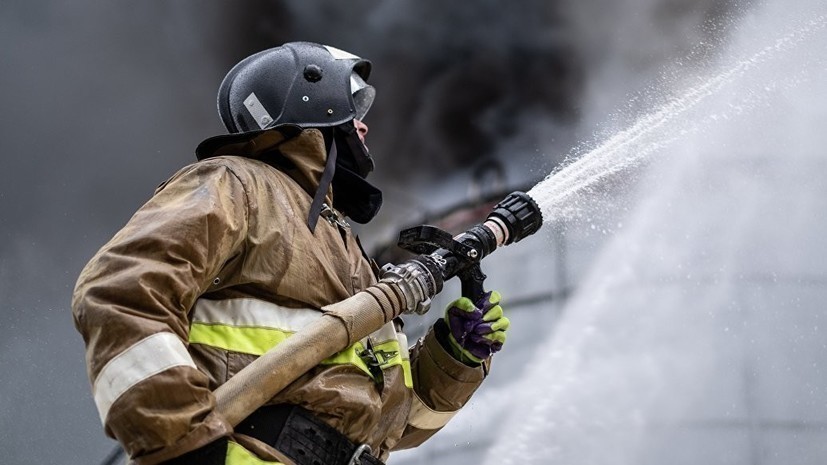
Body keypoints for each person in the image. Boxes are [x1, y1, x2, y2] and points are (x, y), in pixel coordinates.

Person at [72, 41, 510, 465]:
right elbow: (120, 291)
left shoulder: (346, 247)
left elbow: (389, 424)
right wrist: (182, 443)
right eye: (354, 106)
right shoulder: (236, 183)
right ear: (313, 99)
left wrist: (455, 358)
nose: (365, 125)